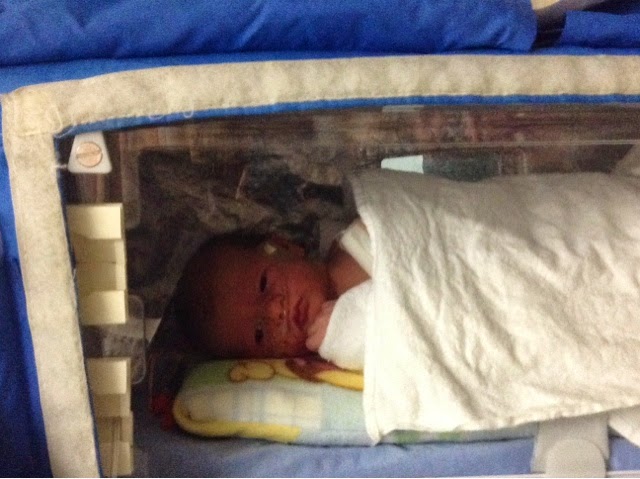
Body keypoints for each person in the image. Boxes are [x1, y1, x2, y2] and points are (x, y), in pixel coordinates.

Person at [174, 222, 370, 361]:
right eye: (259, 334)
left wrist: (347, 323)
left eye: (263, 284)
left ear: (285, 247)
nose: (274, 311)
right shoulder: (335, 360)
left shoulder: (358, 246)